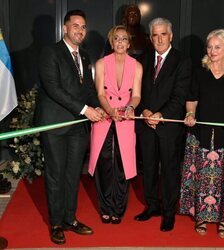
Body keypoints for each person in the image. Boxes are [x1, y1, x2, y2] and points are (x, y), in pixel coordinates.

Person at [35, 9, 103, 244]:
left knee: (73, 175)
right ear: (65, 28)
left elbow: (89, 89)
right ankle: (55, 223)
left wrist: (99, 107)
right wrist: (86, 110)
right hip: (56, 125)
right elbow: (54, 89)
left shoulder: (84, 56)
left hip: (77, 127)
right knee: (56, 176)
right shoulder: (50, 52)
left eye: (83, 26)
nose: (80, 30)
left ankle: (69, 219)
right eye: (75, 25)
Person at [180, 29, 224, 238]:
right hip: (200, 133)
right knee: (202, 177)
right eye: (209, 46)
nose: (212, 50)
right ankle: (201, 215)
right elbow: (192, 98)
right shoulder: (200, 70)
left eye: (217, 47)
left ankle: (223, 219)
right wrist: (190, 113)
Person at [134, 17, 192, 232]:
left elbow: (180, 95)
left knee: (169, 169)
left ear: (171, 36)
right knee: (148, 167)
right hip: (146, 123)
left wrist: (160, 114)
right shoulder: (143, 58)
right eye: (155, 35)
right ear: (150, 37)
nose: (159, 39)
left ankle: (168, 213)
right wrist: (145, 111)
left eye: (163, 34)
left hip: (169, 125)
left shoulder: (183, 61)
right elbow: (137, 91)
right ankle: (152, 206)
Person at [88, 25, 142, 224]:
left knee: (122, 162)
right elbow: (100, 94)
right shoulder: (101, 63)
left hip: (126, 117)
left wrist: (129, 107)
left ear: (129, 43)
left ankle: (118, 208)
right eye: (116, 39)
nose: (120, 42)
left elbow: (136, 95)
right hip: (105, 113)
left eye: (124, 39)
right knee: (103, 162)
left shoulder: (137, 66)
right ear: (111, 42)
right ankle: (105, 207)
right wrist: (110, 110)